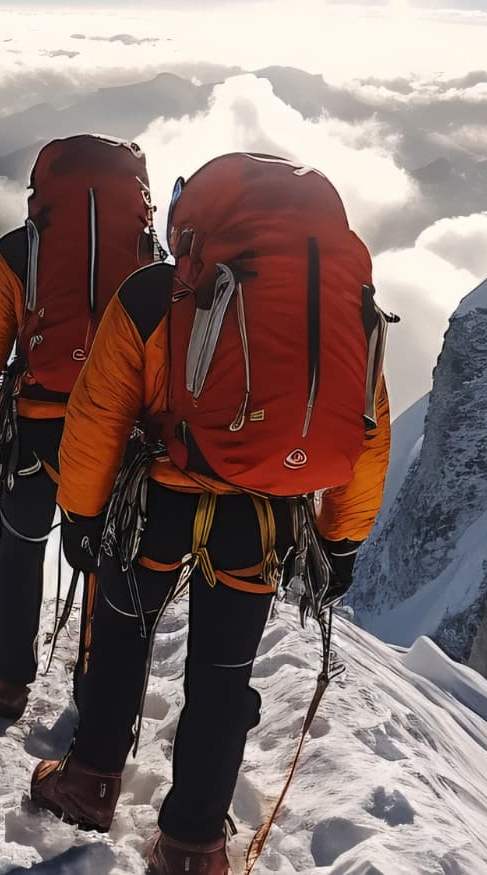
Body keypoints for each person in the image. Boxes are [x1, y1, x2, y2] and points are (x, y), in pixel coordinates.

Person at [29, 153, 392, 875]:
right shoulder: (342, 304)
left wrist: (80, 512)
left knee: (122, 640)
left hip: (152, 510)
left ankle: (93, 780)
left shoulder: (154, 294)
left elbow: (100, 411)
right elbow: (366, 426)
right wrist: (341, 540)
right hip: (258, 526)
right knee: (223, 680)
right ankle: (194, 841)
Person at [0, 134, 162, 720]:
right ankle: (96, 696)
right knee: (105, 561)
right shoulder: (150, 259)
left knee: (20, 548)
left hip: (34, 432)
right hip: (118, 438)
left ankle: (8, 677)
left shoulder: (21, 252)